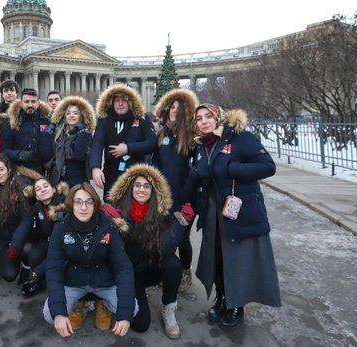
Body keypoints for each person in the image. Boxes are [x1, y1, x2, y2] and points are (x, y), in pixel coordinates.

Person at [187, 104, 281, 328]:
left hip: (239, 213)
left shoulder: (239, 138)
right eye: (199, 118)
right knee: (217, 258)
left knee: (238, 260)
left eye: (208, 116)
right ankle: (222, 298)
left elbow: (268, 166)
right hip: (213, 214)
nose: (203, 122)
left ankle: (236, 305)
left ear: (218, 117)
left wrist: (235, 169)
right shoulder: (201, 145)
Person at [107, 164, 194, 338]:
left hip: (152, 266)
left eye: (147, 186)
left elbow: (166, 248)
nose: (141, 190)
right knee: (140, 324)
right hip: (130, 273)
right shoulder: (118, 210)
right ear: (130, 187)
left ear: (153, 190)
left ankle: (168, 308)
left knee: (173, 264)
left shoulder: (161, 213)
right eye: (137, 185)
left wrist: (180, 223)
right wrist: (106, 222)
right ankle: (121, 296)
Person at [43, 183, 137, 338]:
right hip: (74, 280)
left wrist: (125, 314)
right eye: (78, 202)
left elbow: (123, 266)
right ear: (71, 204)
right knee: (50, 313)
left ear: (96, 204)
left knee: (132, 310)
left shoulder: (108, 226)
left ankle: (103, 304)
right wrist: (59, 313)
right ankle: (77, 306)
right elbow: (53, 267)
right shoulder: (61, 228)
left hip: (103, 280)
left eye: (89, 202)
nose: (83, 207)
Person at [152, 88, 199, 292]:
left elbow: (196, 168)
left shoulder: (190, 137)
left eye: (179, 109)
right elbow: (155, 164)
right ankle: (164, 272)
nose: (174, 111)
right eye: (172, 107)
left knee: (182, 238)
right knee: (162, 236)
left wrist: (190, 197)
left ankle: (186, 273)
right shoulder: (161, 134)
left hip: (185, 197)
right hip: (163, 196)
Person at [89, 84, 156, 198]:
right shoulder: (104, 119)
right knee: (112, 213)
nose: (120, 104)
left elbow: (152, 143)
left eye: (124, 100)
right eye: (117, 100)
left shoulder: (142, 118)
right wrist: (95, 167)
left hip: (136, 177)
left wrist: (128, 148)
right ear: (111, 102)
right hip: (112, 177)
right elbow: (97, 144)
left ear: (131, 102)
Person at [0, 154, 39, 282]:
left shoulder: (21, 184)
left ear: (8, 169)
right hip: (4, 238)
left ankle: (26, 266)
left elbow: (26, 220)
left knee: (28, 249)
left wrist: (15, 244)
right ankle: (13, 262)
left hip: (21, 237)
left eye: (1, 169)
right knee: (9, 275)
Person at [20, 177, 68, 297]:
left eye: (46, 186)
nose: (42, 190)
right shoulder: (38, 207)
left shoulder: (63, 207)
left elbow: (60, 244)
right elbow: (37, 231)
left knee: (55, 266)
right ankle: (42, 282)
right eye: (38, 189)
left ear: (54, 190)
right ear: (36, 196)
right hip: (48, 242)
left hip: (65, 247)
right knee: (33, 255)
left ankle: (45, 281)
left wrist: (39, 270)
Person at [40, 96, 95, 187]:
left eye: (75, 113)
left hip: (77, 180)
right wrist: (48, 132)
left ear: (81, 116)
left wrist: (82, 133)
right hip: (58, 179)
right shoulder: (58, 134)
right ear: (64, 116)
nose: (71, 115)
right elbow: (46, 154)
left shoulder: (85, 133)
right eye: (68, 113)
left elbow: (79, 156)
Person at [1, 88, 51, 173]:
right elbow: (4, 150)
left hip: (44, 171)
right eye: (26, 101)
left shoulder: (47, 121)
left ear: (38, 103)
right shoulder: (12, 123)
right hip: (21, 171)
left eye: (33, 101)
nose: (30, 105)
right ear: (21, 103)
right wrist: (19, 154)